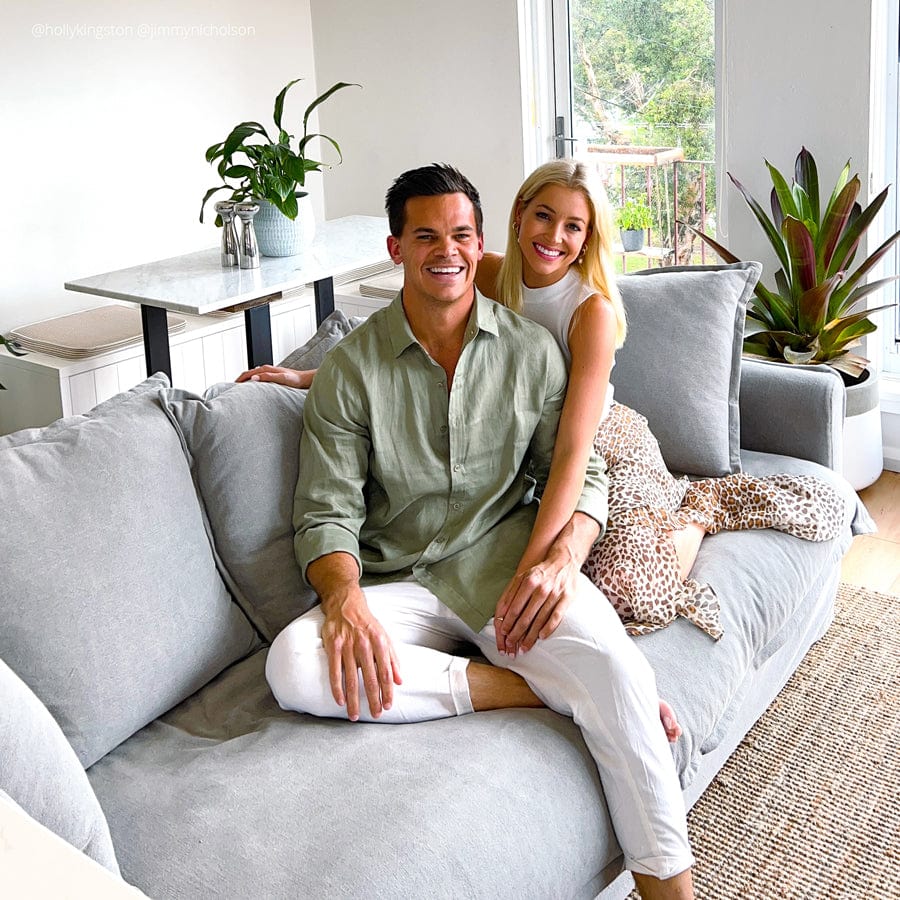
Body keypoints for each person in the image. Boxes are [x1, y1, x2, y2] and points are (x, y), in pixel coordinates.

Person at [264, 163, 697, 899]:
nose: (448, 250)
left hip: (508, 566)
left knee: (619, 674)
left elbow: (581, 469)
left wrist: (562, 557)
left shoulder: (535, 349)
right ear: (395, 248)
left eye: (461, 235)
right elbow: (325, 511)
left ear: (480, 241)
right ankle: (537, 689)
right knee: (294, 665)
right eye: (425, 236)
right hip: (398, 578)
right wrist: (343, 600)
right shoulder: (350, 370)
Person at [474, 159, 844, 647]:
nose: (554, 236)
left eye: (573, 226)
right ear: (520, 212)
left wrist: (531, 571)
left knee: (625, 590)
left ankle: (700, 509)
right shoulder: (486, 274)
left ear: (588, 238)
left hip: (605, 446)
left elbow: (573, 450)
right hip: (525, 449)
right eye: (544, 215)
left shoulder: (590, 311)